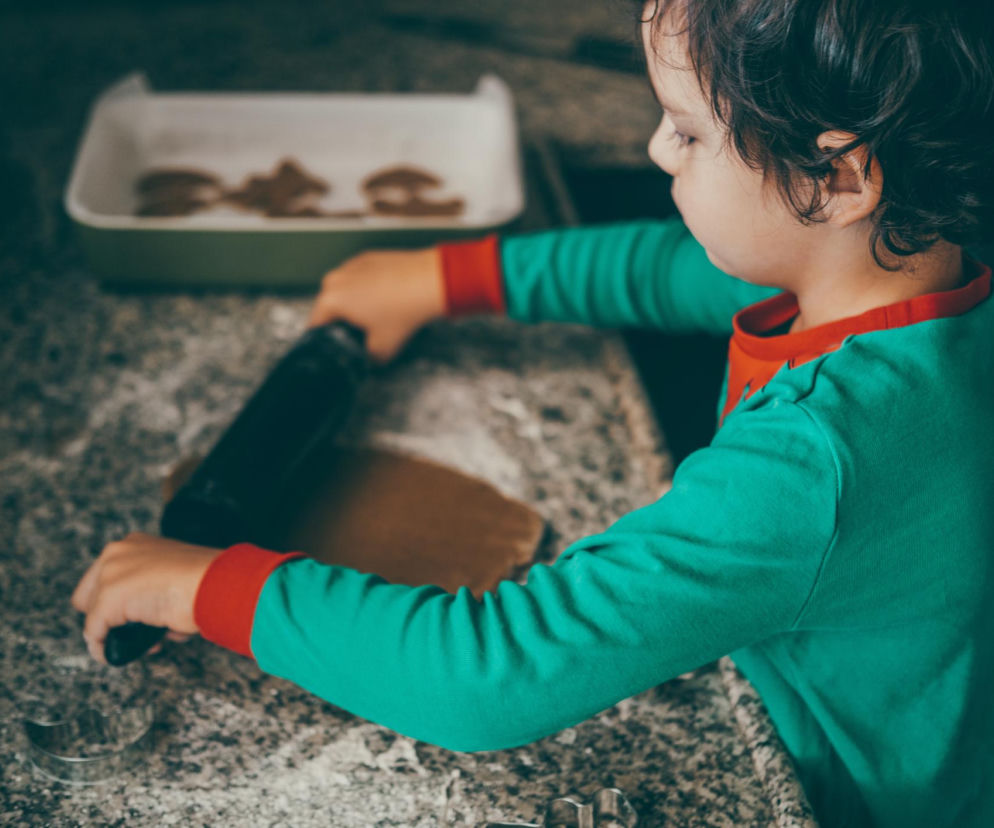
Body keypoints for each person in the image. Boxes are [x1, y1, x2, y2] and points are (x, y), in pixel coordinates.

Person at [71, 0, 994, 824]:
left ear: (834, 180)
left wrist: (211, 587)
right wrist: (447, 277)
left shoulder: (811, 464)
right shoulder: (926, 286)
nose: (655, 151)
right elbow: (671, 268)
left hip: (845, 795)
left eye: (685, 131)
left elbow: (491, 672)